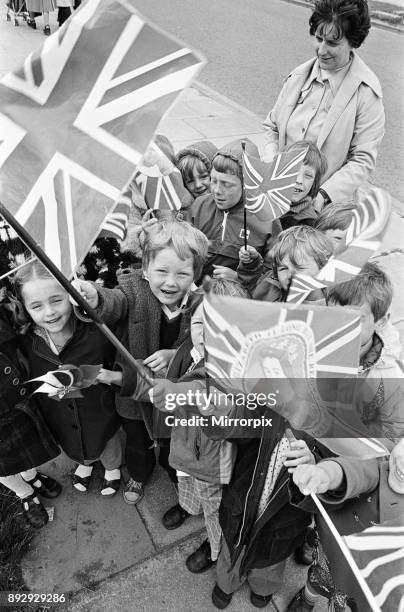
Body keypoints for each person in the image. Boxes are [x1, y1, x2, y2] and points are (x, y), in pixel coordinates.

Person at [72, 220, 209, 505]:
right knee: (136, 439)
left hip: (173, 393)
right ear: (145, 270)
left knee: (174, 439)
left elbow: (202, 340)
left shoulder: (199, 302)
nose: (170, 282)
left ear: (195, 273)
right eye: (161, 271)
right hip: (132, 395)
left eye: (182, 274)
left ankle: (177, 476)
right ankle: (138, 471)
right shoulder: (133, 290)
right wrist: (95, 297)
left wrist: (175, 354)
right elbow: (113, 303)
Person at [149, 279, 248, 573]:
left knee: (213, 505)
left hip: (212, 461)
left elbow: (239, 418)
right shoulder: (190, 353)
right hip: (184, 446)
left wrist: (215, 411)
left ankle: (214, 545)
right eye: (200, 322)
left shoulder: (238, 371)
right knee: (185, 480)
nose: (206, 334)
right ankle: (188, 506)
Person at [262, 0, 385, 208]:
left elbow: (362, 160)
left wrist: (322, 197)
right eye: (318, 39)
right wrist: (271, 165)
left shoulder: (367, 93)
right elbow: (272, 127)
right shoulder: (298, 76)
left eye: (333, 43)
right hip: (277, 197)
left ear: (353, 42)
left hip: (323, 210)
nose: (321, 50)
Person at [13, 262, 122, 496]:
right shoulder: (26, 341)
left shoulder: (96, 330)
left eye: (56, 300)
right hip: (60, 414)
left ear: (71, 295)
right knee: (76, 444)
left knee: (108, 443)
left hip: (100, 409)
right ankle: (85, 462)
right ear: (24, 309)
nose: (49, 312)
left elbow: (117, 362)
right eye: (36, 306)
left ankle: (113, 469)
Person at [289, 439, 404, 612]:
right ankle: (307, 598)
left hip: (367, 582)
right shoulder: (382, 466)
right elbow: (355, 470)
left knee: (347, 604)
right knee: (317, 579)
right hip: (332, 550)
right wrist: (325, 474)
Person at [0, 294, 62, 529]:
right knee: (4, 466)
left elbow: (20, 334)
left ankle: (31, 476)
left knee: (27, 451)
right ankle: (26, 494)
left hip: (17, 401)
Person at [189, 139, 274, 282]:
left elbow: (274, 272)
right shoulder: (200, 205)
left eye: (226, 184)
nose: (216, 191)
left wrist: (240, 278)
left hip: (237, 299)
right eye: (213, 180)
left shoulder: (266, 218)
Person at [237, 225, 334, 302]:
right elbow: (249, 288)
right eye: (283, 269)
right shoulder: (269, 290)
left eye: (300, 268)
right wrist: (251, 264)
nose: (291, 276)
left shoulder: (336, 305)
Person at [277, 141, 328, 231]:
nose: (299, 180)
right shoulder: (264, 205)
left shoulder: (308, 224)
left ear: (314, 183)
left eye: (308, 176)